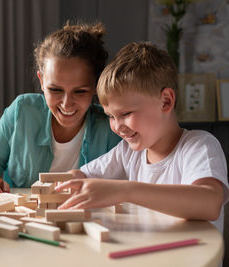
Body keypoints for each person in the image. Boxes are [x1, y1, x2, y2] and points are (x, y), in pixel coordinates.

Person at [55, 41, 229, 233]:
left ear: (165, 101)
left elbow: (210, 203)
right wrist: (68, 181)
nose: (117, 126)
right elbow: (84, 175)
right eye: (111, 116)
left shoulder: (199, 145)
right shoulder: (127, 151)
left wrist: (125, 191)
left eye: (126, 114)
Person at [0, 22, 121, 197]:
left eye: (80, 91)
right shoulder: (22, 110)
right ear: (41, 81)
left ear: (96, 85)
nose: (66, 103)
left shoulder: (111, 126)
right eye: (55, 90)